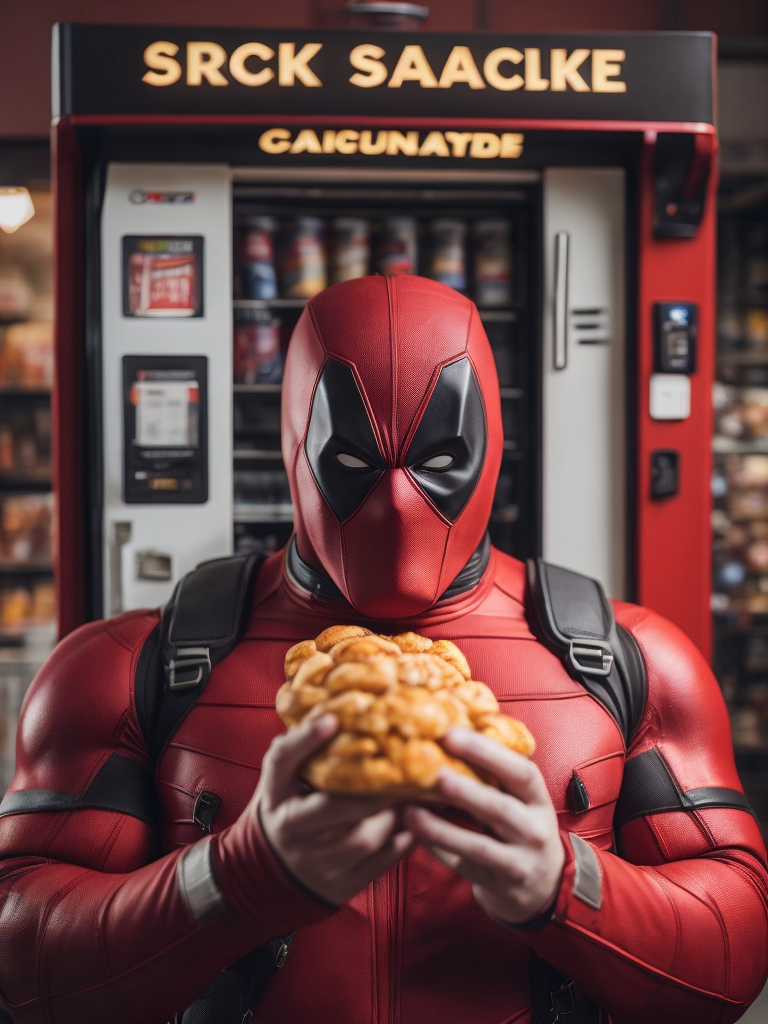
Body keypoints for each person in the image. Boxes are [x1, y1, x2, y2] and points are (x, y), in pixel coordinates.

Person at [0, 274, 765, 1024]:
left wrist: (568, 884)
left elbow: (735, 951)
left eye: (436, 463)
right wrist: (233, 880)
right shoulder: (129, 666)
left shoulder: (628, 659)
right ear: (297, 444)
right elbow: (22, 953)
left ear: (489, 445)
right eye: (354, 463)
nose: (397, 503)